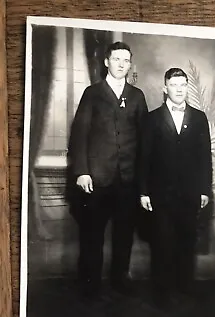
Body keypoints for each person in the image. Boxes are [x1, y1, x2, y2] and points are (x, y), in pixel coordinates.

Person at [68, 41, 148, 298]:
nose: (121, 64)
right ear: (106, 62)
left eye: (126, 60)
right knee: (92, 233)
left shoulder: (137, 96)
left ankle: (120, 279)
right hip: (97, 177)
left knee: (124, 233)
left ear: (130, 64)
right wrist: (82, 171)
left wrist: (143, 181)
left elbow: (145, 141)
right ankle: (90, 283)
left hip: (127, 178)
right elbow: (79, 135)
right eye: (116, 59)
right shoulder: (92, 93)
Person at [139, 67, 212, 305]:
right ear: (165, 88)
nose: (179, 90)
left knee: (186, 240)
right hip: (161, 194)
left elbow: (204, 157)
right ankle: (161, 291)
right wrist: (143, 191)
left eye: (183, 85)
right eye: (174, 85)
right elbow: (144, 158)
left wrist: (204, 189)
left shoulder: (199, 118)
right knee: (162, 242)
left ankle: (185, 285)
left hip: (190, 193)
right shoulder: (152, 118)